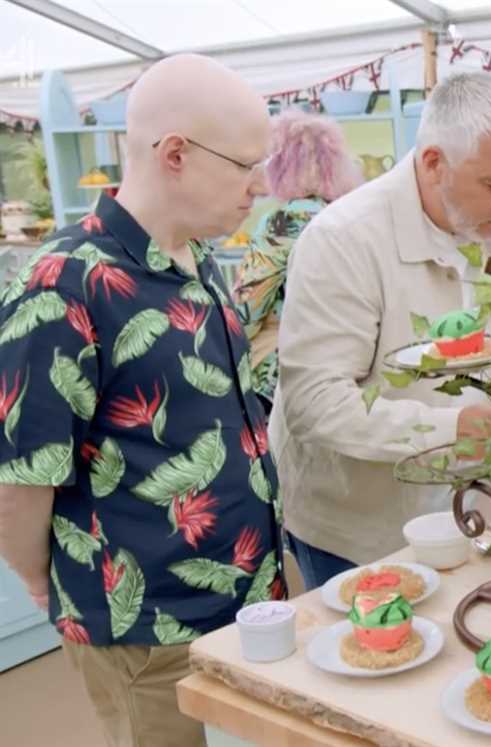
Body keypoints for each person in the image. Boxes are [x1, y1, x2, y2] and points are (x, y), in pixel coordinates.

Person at [0, 54, 285, 746]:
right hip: (148, 629)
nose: (260, 186)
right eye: (245, 164)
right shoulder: (61, 286)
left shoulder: (199, 260)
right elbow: (18, 486)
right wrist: (49, 582)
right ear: (176, 154)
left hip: (246, 601)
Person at [270, 72, 491, 589]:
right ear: (433, 163)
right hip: (362, 530)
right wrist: (452, 430)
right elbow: (314, 403)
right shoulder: (342, 240)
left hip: (488, 509)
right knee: (382, 652)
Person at [233, 110, 363, 413]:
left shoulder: (283, 221)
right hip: (343, 362)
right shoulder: (347, 216)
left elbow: (246, 309)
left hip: (282, 372)